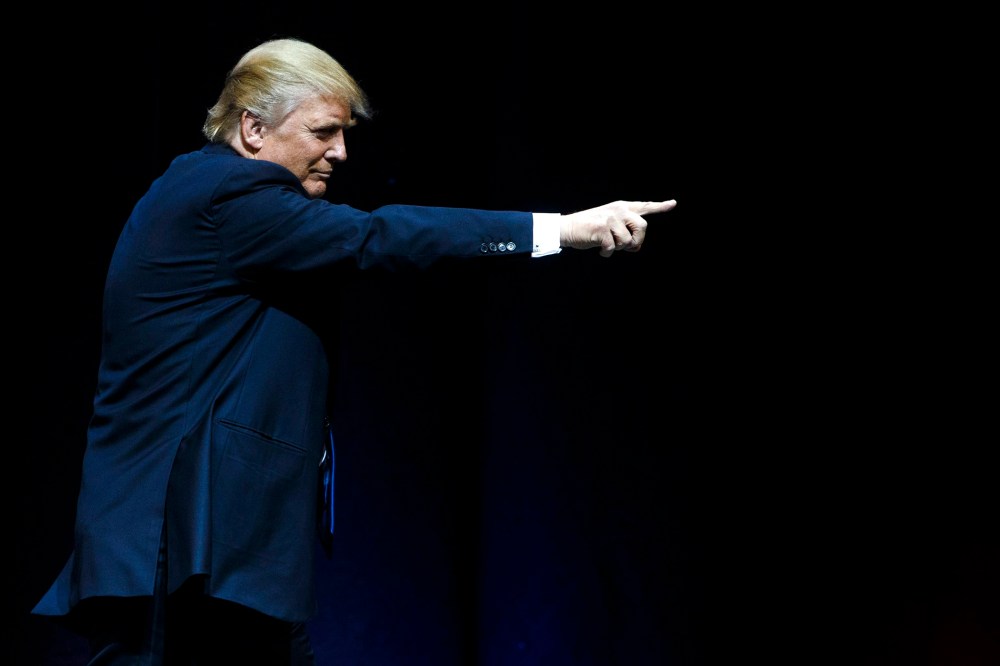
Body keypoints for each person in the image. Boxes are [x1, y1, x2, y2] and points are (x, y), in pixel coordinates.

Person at [31, 37, 677, 665]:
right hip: (178, 559)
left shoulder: (200, 193)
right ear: (253, 130)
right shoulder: (229, 197)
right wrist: (560, 231)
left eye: (344, 134)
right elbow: (377, 238)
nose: (341, 153)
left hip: (210, 558)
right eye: (322, 132)